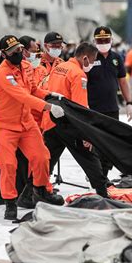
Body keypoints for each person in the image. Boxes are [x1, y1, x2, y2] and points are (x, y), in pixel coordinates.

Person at [0, 35, 65, 220]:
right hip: (5, 126)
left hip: (25, 123)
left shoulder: (25, 67)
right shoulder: (3, 74)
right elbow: (23, 97)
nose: (18, 53)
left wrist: (49, 95)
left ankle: (41, 191)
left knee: (41, 156)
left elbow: (33, 90)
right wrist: (49, 107)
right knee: (8, 164)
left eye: (19, 49)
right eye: (13, 51)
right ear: (3, 54)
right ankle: (10, 202)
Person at [41, 42, 110, 197]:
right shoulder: (79, 75)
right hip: (69, 124)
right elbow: (81, 108)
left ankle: (30, 193)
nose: (92, 64)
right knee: (89, 158)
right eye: (92, 61)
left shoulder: (59, 67)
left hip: (51, 120)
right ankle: (103, 192)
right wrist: (87, 134)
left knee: (47, 161)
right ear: (85, 58)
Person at [87, 26, 132, 177]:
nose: (103, 43)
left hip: (112, 108)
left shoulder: (116, 58)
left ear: (112, 41)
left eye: (106, 40)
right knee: (95, 143)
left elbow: (123, 82)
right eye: (100, 41)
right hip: (92, 108)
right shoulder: (89, 58)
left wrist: (129, 103)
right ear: (94, 42)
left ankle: (104, 176)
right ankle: (95, 174)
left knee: (110, 143)